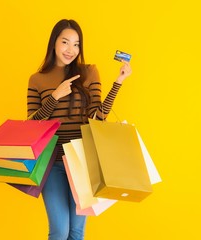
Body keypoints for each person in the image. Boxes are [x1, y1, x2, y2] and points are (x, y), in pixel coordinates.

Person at [27, 19, 132, 240]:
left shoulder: (89, 72)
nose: (71, 50)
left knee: (76, 232)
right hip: (52, 161)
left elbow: (97, 117)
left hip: (82, 161)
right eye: (65, 42)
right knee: (59, 231)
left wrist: (118, 83)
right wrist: (54, 97)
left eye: (76, 44)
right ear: (54, 42)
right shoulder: (37, 80)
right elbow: (31, 125)